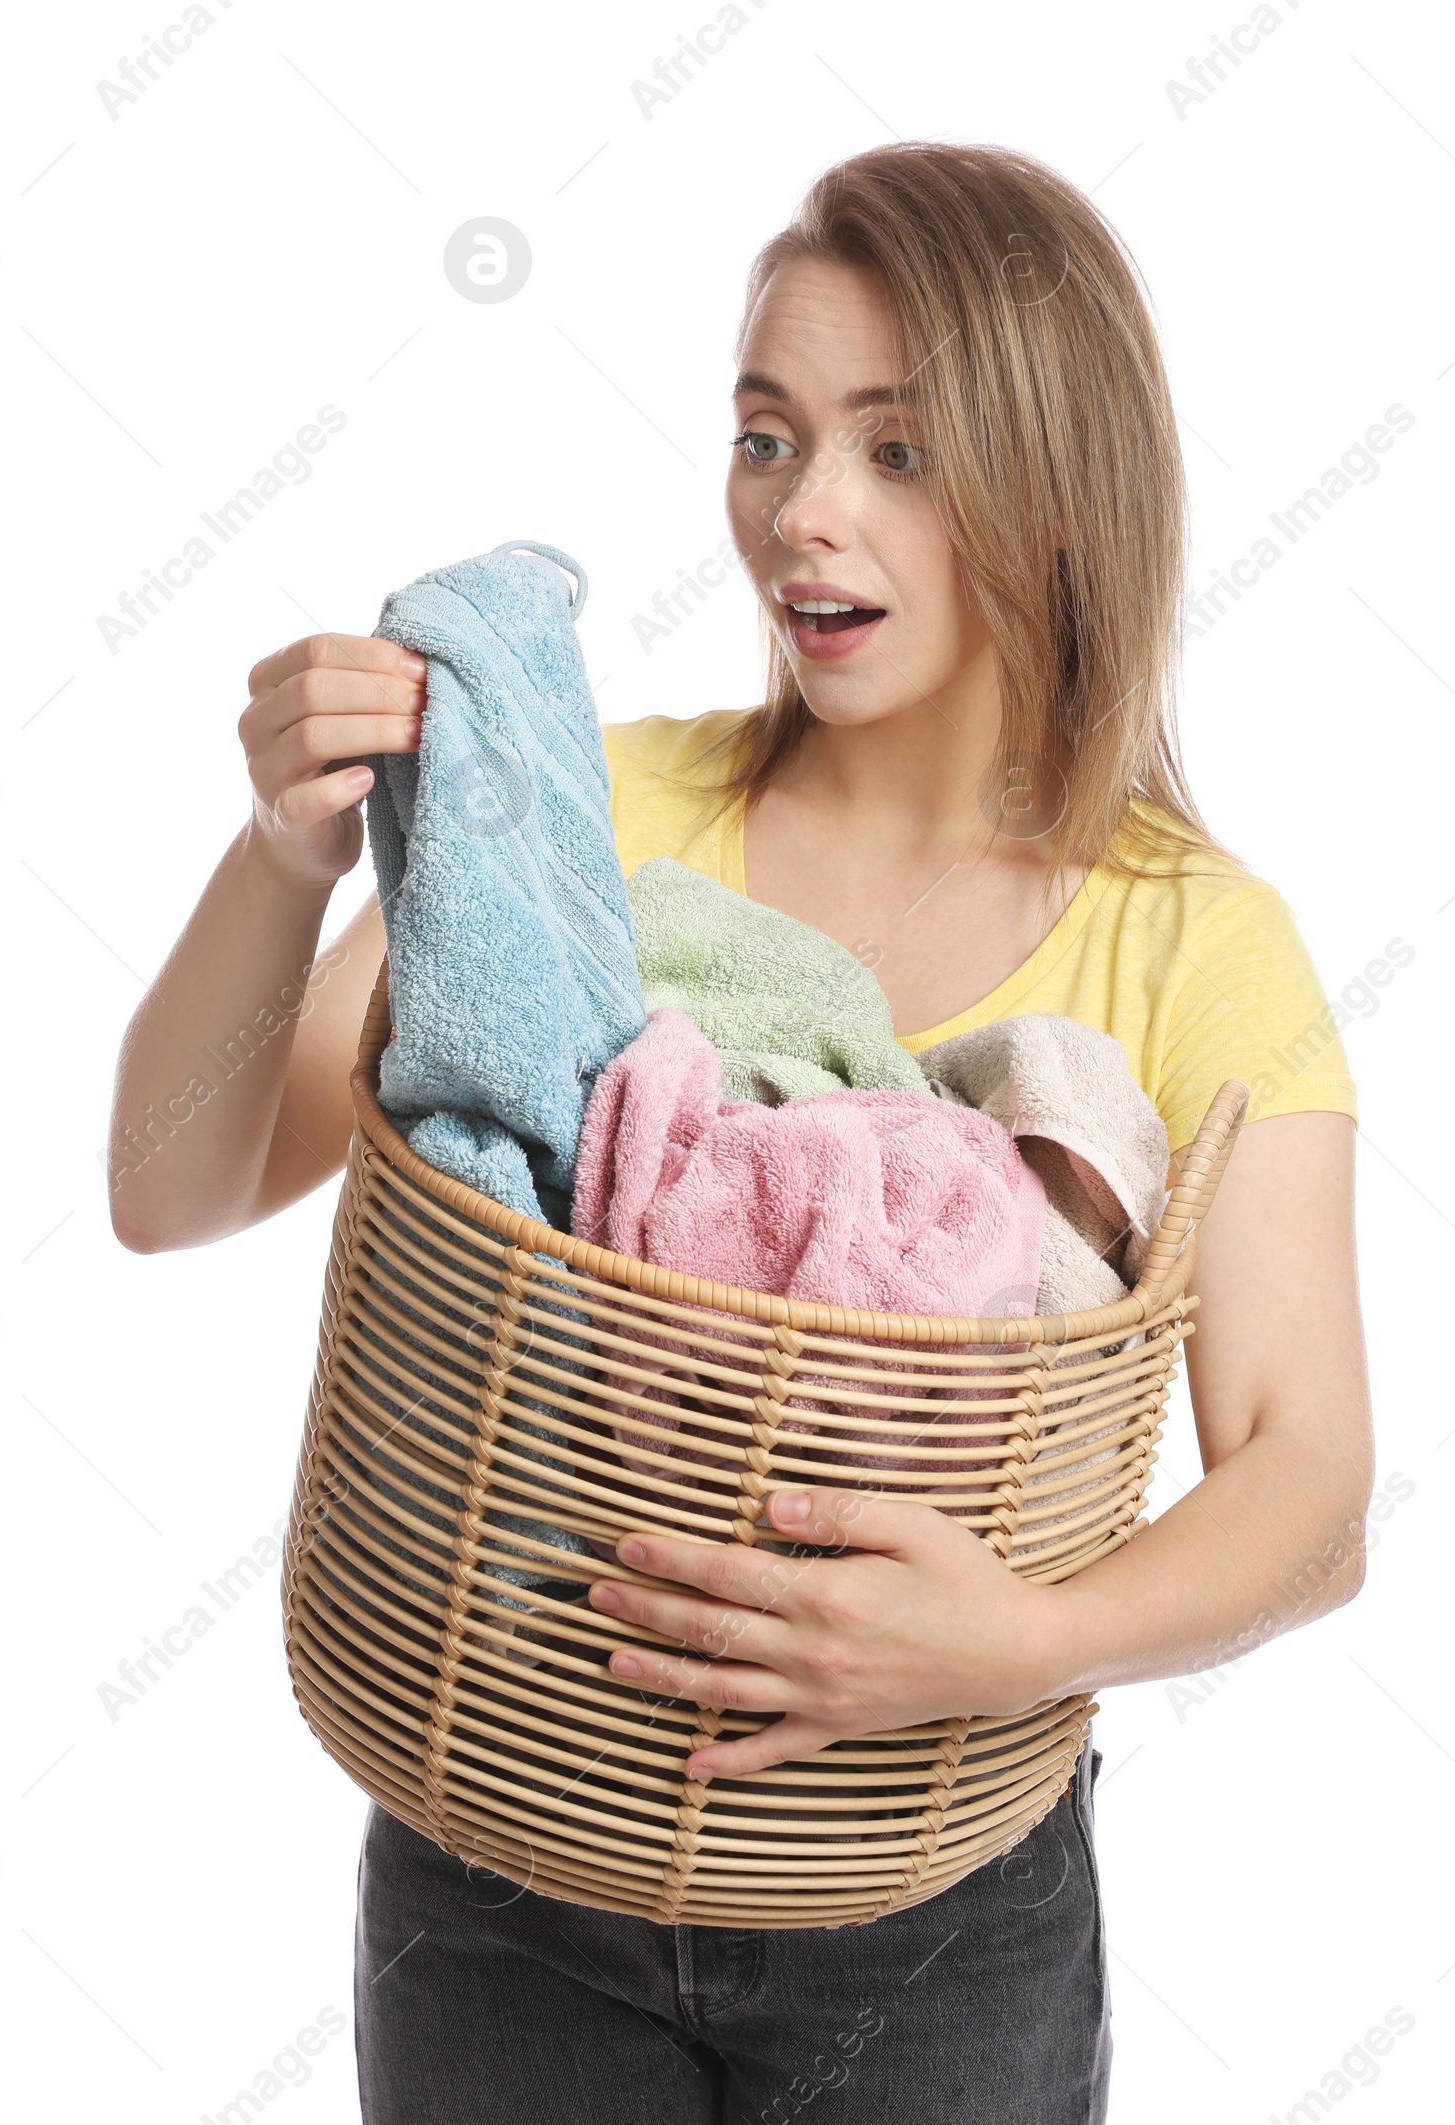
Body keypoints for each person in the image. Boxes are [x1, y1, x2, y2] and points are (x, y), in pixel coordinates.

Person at [110, 141, 1374, 2124]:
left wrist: (1015, 1638)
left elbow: (1307, 1486)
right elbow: (167, 1186)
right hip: (502, 1844)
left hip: (938, 1901)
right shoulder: (589, 818)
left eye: (897, 449)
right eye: (766, 436)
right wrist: (284, 859)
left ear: (1057, 486)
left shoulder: (1189, 938)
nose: (802, 514)